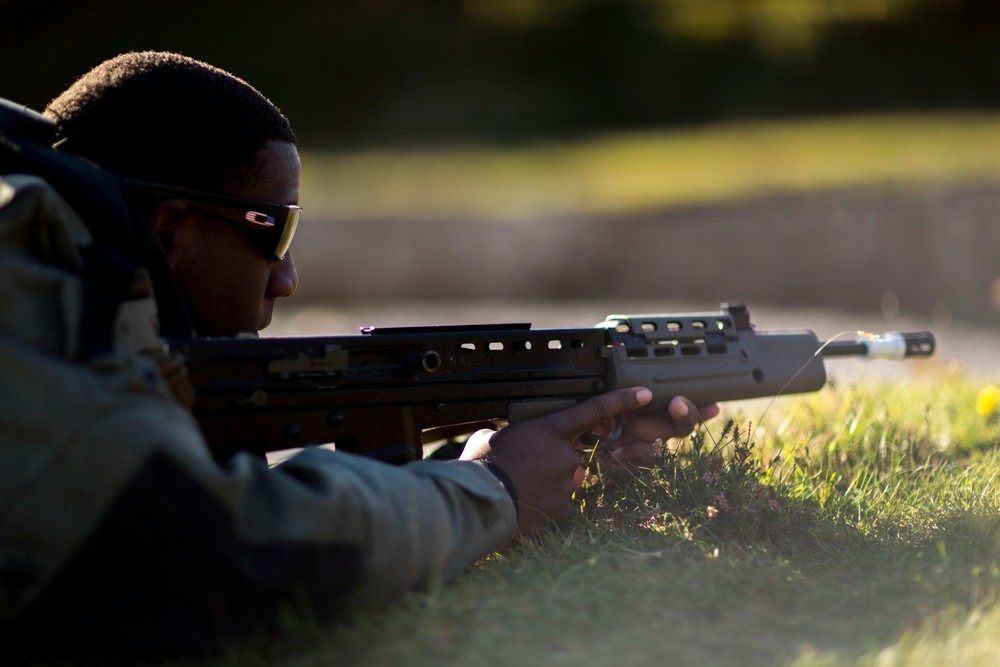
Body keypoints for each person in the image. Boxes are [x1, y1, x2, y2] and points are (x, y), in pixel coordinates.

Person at [0, 51, 717, 656]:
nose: (288, 277)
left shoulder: (53, 269)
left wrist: (489, 464)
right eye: (272, 233)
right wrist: (492, 491)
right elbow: (226, 549)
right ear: (169, 232)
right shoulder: (24, 294)